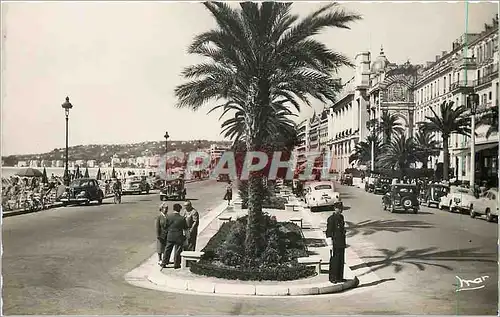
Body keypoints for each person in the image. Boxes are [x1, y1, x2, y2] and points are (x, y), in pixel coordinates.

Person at [160, 203, 188, 269]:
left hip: (170, 235)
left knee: (168, 249)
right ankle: (176, 264)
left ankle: (164, 262)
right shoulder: (182, 218)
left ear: (173, 209)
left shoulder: (168, 217)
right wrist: (187, 237)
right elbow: (186, 228)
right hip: (179, 236)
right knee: (178, 250)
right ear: (179, 209)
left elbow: (165, 226)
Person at [326, 203, 346, 283]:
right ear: (335, 209)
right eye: (339, 208)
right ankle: (333, 278)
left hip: (341, 242)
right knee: (334, 260)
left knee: (341, 260)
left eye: (341, 208)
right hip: (334, 242)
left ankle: (339, 277)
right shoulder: (331, 219)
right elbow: (329, 232)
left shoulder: (341, 217)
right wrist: (330, 243)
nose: (341, 210)